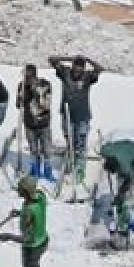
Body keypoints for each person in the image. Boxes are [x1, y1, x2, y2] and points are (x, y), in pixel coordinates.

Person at [0, 175, 48, 267]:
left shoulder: (29, 210)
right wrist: (20, 213)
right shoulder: (40, 197)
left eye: (20, 189)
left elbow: (27, 238)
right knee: (35, 266)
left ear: (26, 192)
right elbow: (34, 214)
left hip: (32, 246)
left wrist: (8, 237)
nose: (18, 191)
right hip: (43, 241)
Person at [50, 54, 102, 184]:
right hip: (67, 114)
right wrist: (70, 59)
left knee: (81, 143)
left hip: (83, 116)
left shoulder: (88, 76)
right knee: (70, 141)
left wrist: (88, 59)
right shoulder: (65, 72)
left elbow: (100, 68)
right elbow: (52, 59)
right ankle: (70, 164)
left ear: (83, 69)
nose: (77, 72)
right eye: (75, 68)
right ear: (72, 67)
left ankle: (80, 169)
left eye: (80, 69)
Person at [99, 137, 134, 248]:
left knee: (126, 192)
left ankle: (124, 228)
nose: (113, 174)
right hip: (124, 148)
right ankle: (121, 209)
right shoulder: (105, 151)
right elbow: (106, 145)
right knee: (121, 183)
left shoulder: (125, 168)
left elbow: (129, 180)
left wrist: (120, 195)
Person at [17, 64, 54, 179]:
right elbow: (18, 104)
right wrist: (21, 98)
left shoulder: (45, 84)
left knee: (46, 149)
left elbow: (46, 105)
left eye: (28, 77)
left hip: (43, 123)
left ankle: (47, 172)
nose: (26, 79)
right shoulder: (22, 86)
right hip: (29, 124)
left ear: (34, 75)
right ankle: (35, 170)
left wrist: (36, 93)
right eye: (25, 77)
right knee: (33, 149)